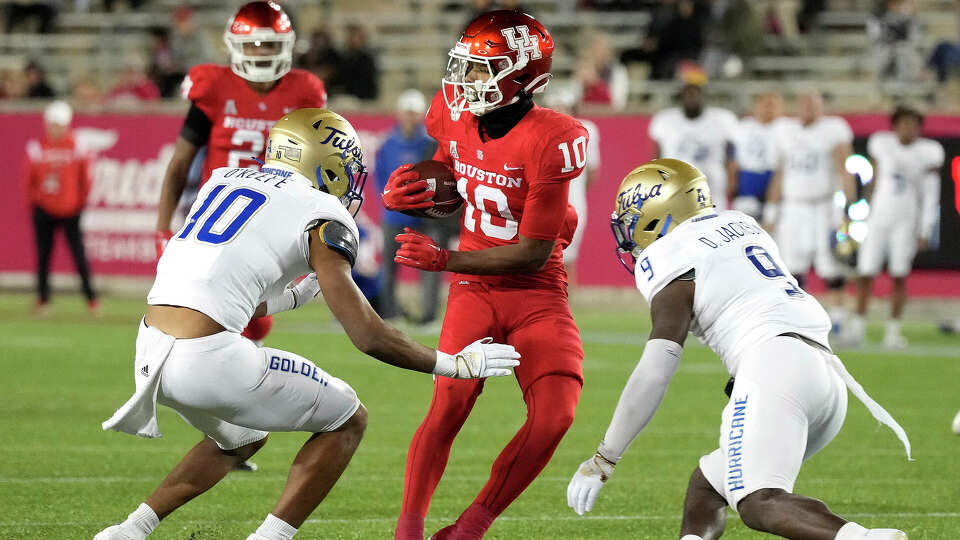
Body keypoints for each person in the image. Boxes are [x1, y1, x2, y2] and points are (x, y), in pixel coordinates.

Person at [94, 109, 519, 540]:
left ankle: (129, 530)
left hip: (150, 350)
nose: (350, 179)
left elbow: (214, 286)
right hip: (207, 358)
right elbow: (369, 336)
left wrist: (291, 296)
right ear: (325, 163)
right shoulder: (321, 211)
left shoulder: (223, 179)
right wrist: (456, 365)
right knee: (348, 417)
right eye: (345, 167)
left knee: (242, 438)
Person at [567, 158, 911, 540]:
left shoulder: (665, 257)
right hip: (824, 374)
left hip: (776, 367)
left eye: (633, 219)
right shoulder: (742, 223)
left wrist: (604, 458)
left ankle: (864, 538)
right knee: (709, 485)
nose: (629, 232)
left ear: (659, 212)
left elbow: (656, 368)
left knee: (758, 501)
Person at [383, 11, 588, 539]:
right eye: (466, 67)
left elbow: (531, 254)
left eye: (482, 69)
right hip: (475, 291)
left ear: (523, 76)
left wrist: (446, 259)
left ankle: (469, 528)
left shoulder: (553, 136)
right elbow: (450, 169)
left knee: (556, 414)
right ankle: (408, 532)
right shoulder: (452, 112)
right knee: (447, 407)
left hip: (535, 291)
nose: (466, 80)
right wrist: (412, 192)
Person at [154, 1, 327, 359]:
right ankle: (203, 380)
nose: (260, 52)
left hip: (272, 218)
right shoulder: (214, 86)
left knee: (256, 317)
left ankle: (232, 384)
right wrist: (161, 227)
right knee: (213, 311)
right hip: (219, 214)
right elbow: (179, 164)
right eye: (253, 44)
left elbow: (316, 165)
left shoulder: (304, 92)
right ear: (235, 45)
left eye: (269, 44)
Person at [850, 106, 944, 349]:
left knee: (899, 275)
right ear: (894, 125)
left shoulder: (928, 152)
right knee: (865, 273)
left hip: (906, 221)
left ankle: (893, 332)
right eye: (903, 123)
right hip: (879, 218)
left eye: (913, 124)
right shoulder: (882, 145)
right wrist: (865, 212)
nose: (908, 128)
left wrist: (925, 229)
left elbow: (931, 195)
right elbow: (873, 180)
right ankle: (858, 327)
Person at [765, 91, 856, 333]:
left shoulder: (833, 129)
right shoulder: (785, 130)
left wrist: (848, 209)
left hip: (824, 206)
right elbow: (780, 172)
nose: (808, 108)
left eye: (814, 104)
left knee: (831, 265)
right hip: (793, 206)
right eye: (804, 103)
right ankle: (800, 319)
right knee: (792, 266)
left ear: (821, 107)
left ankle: (837, 319)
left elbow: (845, 169)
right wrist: (771, 212)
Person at [373, 89, 447, 322]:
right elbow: (381, 177)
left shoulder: (431, 144)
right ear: (399, 114)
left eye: (414, 113)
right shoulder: (388, 144)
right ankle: (389, 311)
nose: (410, 117)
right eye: (407, 112)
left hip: (426, 216)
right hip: (395, 217)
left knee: (432, 264)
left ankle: (428, 315)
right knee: (389, 266)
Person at [21, 100, 97, 315]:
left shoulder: (79, 146)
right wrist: (35, 203)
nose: (56, 129)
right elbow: (28, 180)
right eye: (53, 124)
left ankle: (91, 299)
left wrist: (79, 203)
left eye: (60, 124)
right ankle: (43, 299)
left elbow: (86, 179)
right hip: (43, 209)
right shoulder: (36, 147)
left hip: (71, 210)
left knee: (78, 255)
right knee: (43, 255)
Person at [648, 78, 738, 210]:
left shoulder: (721, 120)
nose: (692, 99)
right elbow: (658, 154)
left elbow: (730, 152)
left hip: (711, 181)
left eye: (695, 95)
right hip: (677, 182)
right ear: (680, 98)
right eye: (688, 95)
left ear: (703, 97)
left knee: (715, 220)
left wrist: (732, 177)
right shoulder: (665, 120)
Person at [544, 85, 600, 285]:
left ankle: (565, 307)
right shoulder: (540, 130)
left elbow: (592, 173)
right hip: (544, 202)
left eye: (563, 106)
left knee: (568, 259)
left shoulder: (586, 129)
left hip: (572, 201)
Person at [728, 92, 795, 220]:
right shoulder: (744, 126)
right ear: (756, 107)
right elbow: (732, 155)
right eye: (765, 105)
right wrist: (732, 180)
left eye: (773, 105)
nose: (768, 109)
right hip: (748, 179)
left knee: (773, 222)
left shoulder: (787, 128)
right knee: (745, 222)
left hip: (774, 178)